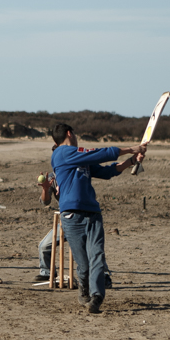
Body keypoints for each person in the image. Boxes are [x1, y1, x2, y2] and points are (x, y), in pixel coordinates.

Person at [50, 124, 145, 312]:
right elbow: (100, 153)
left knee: (97, 256)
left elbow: (107, 171)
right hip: (72, 216)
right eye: (75, 134)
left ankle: (97, 297)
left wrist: (131, 161)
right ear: (69, 133)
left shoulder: (81, 158)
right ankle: (84, 289)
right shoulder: (61, 153)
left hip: (93, 213)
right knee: (84, 264)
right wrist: (131, 149)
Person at [36, 172, 112, 286]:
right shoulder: (52, 178)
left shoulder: (78, 173)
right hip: (66, 220)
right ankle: (47, 272)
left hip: (84, 219)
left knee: (91, 248)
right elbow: (45, 202)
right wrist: (45, 189)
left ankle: (103, 276)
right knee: (44, 246)